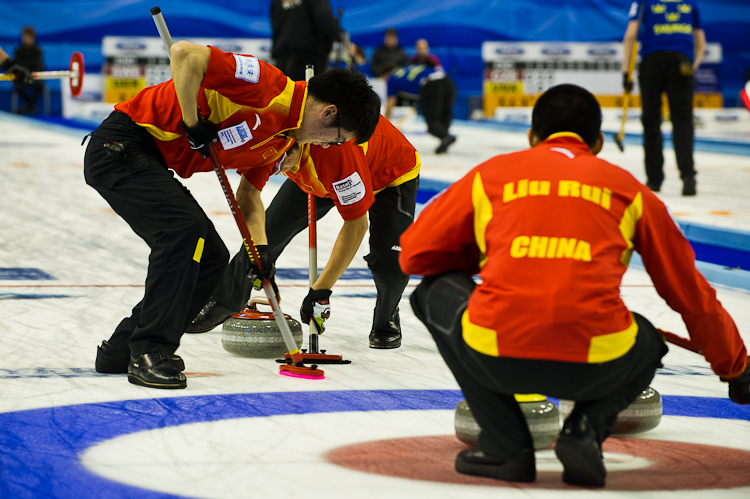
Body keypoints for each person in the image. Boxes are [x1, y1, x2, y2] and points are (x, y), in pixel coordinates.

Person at [400, 84, 749, 486]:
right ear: (598, 142)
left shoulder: (490, 177)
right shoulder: (630, 191)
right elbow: (691, 295)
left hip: (496, 355)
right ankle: (586, 429)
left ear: (532, 137)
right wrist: (735, 368)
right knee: (650, 340)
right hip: (595, 364)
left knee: (431, 293)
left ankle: (504, 447)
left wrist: (485, 255)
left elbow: (414, 257)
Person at [86, 40, 381, 389]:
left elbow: (250, 194)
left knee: (212, 258)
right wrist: (192, 122)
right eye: (335, 140)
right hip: (121, 146)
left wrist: (261, 251)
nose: (327, 147)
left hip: (149, 160)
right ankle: (150, 350)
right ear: (328, 113)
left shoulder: (283, 139)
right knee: (185, 231)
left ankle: (121, 348)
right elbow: (184, 53)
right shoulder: (267, 85)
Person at [189, 114, 420, 349]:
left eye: (280, 164)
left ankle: (386, 318)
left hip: (388, 174)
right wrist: (261, 253)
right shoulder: (272, 144)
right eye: (272, 164)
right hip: (317, 171)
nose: (276, 171)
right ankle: (225, 300)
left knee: (390, 259)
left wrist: (321, 289)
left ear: (296, 146)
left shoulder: (335, 156)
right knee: (268, 232)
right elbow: (248, 196)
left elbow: (356, 224)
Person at [623, 0, 706, 196]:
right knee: (683, 120)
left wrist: (626, 72)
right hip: (681, 61)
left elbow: (630, 36)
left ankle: (654, 180)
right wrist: (693, 66)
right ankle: (688, 177)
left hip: (653, 62)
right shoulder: (690, 3)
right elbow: (700, 42)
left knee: (651, 121)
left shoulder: (643, 2)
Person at [384, 63, 457, 154]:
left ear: (386, 73)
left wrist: (385, 123)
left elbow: (390, 101)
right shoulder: (407, 68)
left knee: (432, 120)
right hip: (448, 81)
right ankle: (444, 140)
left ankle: (445, 136)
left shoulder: (391, 78)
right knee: (445, 113)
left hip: (431, 85)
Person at [270, 0, 344, 81]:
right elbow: (325, 19)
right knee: (308, 92)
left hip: (281, 62)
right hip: (308, 61)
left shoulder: (275, 2)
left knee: (286, 92)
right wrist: (339, 38)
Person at [12, 26, 44, 114]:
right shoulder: (18, 51)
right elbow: (17, 65)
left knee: (40, 86)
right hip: (22, 77)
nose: (25, 39)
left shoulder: (38, 51)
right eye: (24, 36)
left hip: (34, 77)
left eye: (27, 37)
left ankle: (28, 105)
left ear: (33, 38)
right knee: (17, 85)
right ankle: (30, 105)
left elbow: (37, 65)